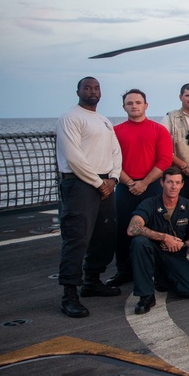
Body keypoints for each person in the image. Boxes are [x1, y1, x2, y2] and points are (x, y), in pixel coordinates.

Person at [55, 76, 123, 318]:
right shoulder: (70, 118)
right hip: (81, 184)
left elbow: (116, 151)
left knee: (105, 236)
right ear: (78, 91)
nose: (92, 91)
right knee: (77, 238)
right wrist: (98, 183)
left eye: (96, 88)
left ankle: (92, 282)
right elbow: (73, 157)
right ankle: (69, 294)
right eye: (87, 87)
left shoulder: (104, 121)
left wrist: (113, 179)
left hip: (105, 182)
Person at [110, 88, 172, 287]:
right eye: (130, 103)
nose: (134, 106)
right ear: (124, 107)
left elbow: (164, 160)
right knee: (122, 230)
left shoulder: (158, 130)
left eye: (138, 103)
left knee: (155, 227)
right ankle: (124, 271)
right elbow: (112, 160)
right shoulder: (116, 131)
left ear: (146, 105)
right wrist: (129, 182)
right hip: (125, 186)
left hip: (152, 185)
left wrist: (145, 182)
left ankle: (156, 269)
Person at [127, 167, 189, 315]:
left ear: (182, 185)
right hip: (153, 253)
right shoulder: (150, 203)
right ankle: (146, 296)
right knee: (139, 242)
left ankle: (163, 277)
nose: (173, 186)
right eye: (169, 182)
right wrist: (165, 237)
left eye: (177, 182)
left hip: (175, 254)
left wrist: (184, 244)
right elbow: (132, 229)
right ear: (162, 183)